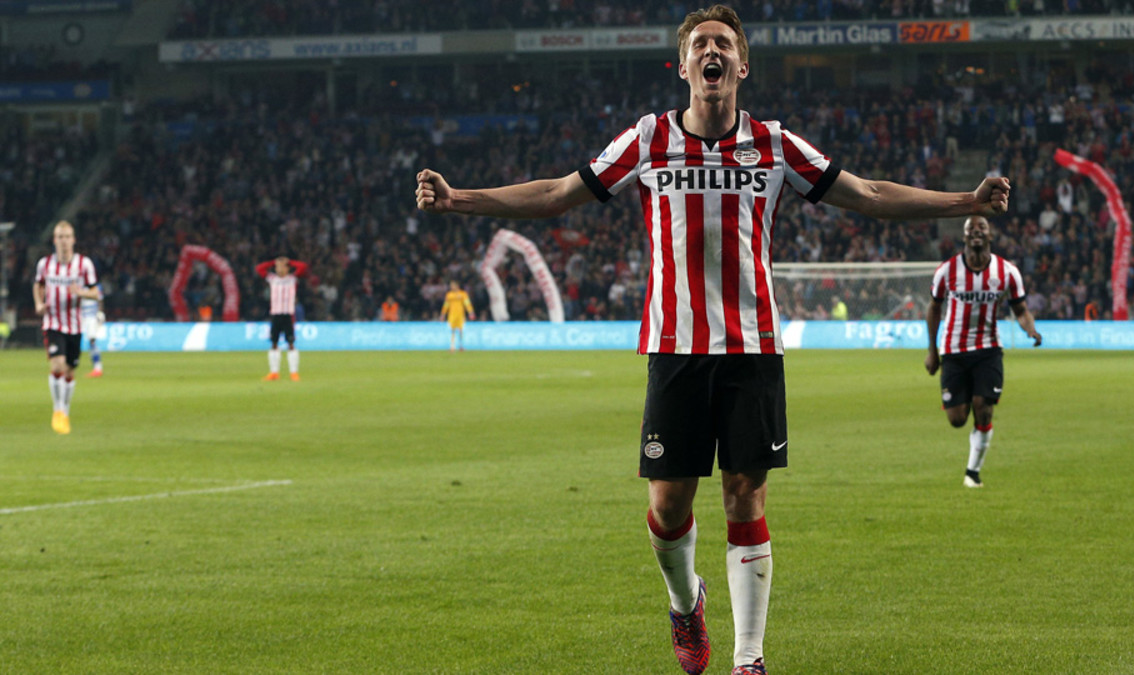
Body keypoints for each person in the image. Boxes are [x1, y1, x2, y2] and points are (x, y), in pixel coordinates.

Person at [416, 6, 1010, 673]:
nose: (712, 51)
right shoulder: (648, 139)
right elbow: (557, 193)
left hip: (752, 348)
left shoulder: (775, 144)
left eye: (724, 43)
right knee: (668, 506)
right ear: (683, 66)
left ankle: (748, 657)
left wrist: (966, 202)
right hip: (674, 346)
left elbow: (869, 193)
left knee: (744, 494)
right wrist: (460, 198)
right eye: (700, 43)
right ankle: (685, 601)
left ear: (742, 65)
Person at [925, 216, 1041, 489]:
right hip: (953, 350)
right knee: (957, 419)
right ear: (964, 237)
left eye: (982, 228)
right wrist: (932, 351)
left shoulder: (1007, 272)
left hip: (988, 349)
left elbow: (1021, 309)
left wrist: (1030, 329)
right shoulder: (947, 271)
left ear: (990, 236)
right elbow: (934, 308)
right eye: (971, 229)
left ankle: (973, 473)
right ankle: (971, 437)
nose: (976, 232)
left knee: (983, 409)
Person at [33, 221, 100, 434]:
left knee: (70, 370)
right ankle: (57, 410)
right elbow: (38, 284)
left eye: (67, 237)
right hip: (53, 322)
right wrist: (39, 303)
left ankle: (65, 411)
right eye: (60, 237)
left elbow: (96, 293)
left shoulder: (84, 264)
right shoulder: (45, 264)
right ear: (54, 240)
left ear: (73, 239)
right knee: (57, 365)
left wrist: (80, 292)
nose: (63, 241)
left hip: (75, 324)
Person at [255, 256, 308, 381]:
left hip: (288, 315)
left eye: (282, 266)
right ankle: (274, 372)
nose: (279, 269)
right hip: (275, 314)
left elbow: (303, 267)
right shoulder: (272, 279)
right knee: (274, 343)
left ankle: (294, 373)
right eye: (277, 267)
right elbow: (259, 268)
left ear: (288, 268)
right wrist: (273, 262)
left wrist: (289, 262)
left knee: (291, 344)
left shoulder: (292, 279)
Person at [440, 280, 475, 351]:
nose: (451, 287)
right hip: (452, 315)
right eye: (451, 286)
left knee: (461, 330)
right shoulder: (449, 295)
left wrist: (471, 312)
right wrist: (443, 314)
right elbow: (446, 305)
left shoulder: (463, 294)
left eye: (453, 285)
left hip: (460, 315)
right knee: (452, 330)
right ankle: (452, 346)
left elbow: (467, 304)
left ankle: (461, 345)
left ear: (457, 286)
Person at [81, 281, 106, 378]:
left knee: (92, 341)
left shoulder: (95, 286)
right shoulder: (78, 283)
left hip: (92, 316)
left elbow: (100, 300)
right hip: (81, 316)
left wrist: (100, 313)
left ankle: (97, 368)